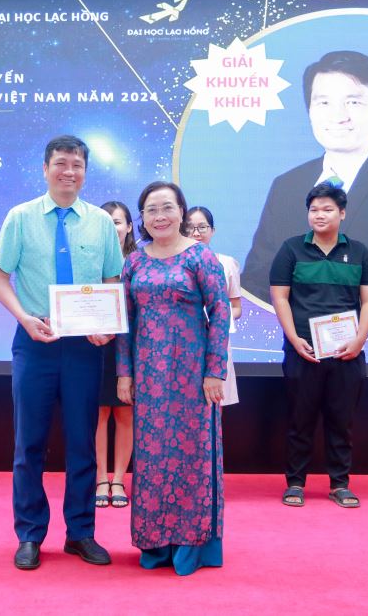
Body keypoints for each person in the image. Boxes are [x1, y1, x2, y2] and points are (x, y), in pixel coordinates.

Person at [0, 135, 124, 571]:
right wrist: (24, 318)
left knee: (83, 442)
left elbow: (112, 281)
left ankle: (81, 533)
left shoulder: (100, 223)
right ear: (45, 169)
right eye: (61, 163)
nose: (69, 172)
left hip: (84, 347)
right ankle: (30, 534)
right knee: (28, 444)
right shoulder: (21, 217)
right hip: (35, 342)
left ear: (86, 172)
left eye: (77, 165)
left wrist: (107, 324)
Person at [243, 50, 368, 321]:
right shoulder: (286, 186)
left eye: (353, 102)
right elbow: (259, 277)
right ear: (309, 111)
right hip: (294, 337)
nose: (338, 116)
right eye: (324, 102)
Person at [117, 181, 230, 576]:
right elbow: (125, 321)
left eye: (167, 207)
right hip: (148, 375)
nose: (159, 216)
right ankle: (155, 543)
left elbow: (220, 312)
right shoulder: (134, 262)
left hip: (193, 374)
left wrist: (215, 371)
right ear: (142, 218)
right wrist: (124, 373)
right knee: (152, 458)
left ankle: (191, 544)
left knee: (192, 455)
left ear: (181, 211)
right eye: (151, 209)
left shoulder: (200, 256)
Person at [269, 182, 368, 508]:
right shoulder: (291, 250)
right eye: (314, 209)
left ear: (342, 213)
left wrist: (359, 341)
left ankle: (340, 484)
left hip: (347, 353)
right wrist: (294, 339)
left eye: (327, 209)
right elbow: (280, 298)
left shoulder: (359, 252)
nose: (320, 215)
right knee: (299, 421)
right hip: (303, 351)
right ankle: (295, 483)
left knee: (341, 422)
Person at [94, 200, 137, 510]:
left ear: (130, 227)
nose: (112, 227)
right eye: (106, 221)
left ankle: (119, 479)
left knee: (125, 413)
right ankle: (100, 478)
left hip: (131, 346)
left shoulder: (141, 262)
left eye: (118, 221)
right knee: (98, 414)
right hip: (95, 343)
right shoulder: (89, 259)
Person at [187, 205, 242, 407]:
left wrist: (218, 318)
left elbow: (236, 307)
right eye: (190, 228)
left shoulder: (227, 263)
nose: (196, 233)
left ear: (212, 230)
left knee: (216, 401)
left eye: (202, 227)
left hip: (216, 342)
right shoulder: (174, 265)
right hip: (187, 341)